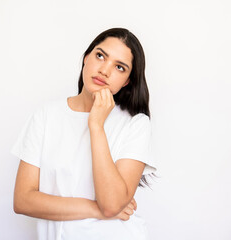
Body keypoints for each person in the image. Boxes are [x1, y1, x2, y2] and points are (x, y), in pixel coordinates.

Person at [11, 27, 156, 240]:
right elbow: (23, 201)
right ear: (86, 57)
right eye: (100, 56)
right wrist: (95, 209)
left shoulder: (135, 124)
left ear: (127, 81)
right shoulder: (47, 116)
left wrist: (96, 125)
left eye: (120, 67)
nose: (105, 70)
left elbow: (111, 204)